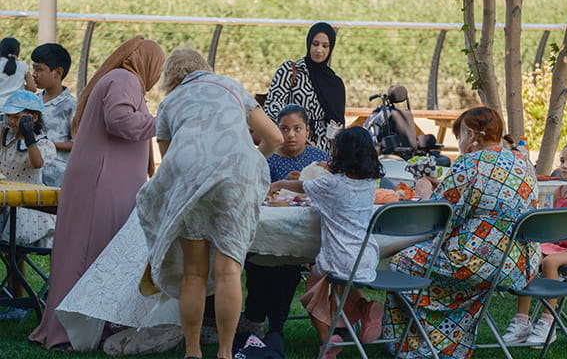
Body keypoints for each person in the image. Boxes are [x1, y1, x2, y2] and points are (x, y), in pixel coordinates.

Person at [136, 48, 282, 359]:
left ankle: (193, 352)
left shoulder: (170, 102)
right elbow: (276, 138)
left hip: (191, 176)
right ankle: (226, 353)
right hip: (237, 174)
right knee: (229, 271)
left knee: (194, 272)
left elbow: (170, 158)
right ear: (206, 68)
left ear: (171, 78)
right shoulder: (231, 87)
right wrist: (253, 161)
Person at [29, 35, 165, 350]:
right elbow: (120, 122)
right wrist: (164, 122)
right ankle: (67, 333)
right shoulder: (125, 79)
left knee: (89, 254)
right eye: (157, 65)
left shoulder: (120, 79)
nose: (157, 74)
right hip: (101, 183)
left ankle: (82, 328)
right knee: (87, 256)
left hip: (102, 181)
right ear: (145, 62)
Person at [382, 106, 541, 359]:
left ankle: (416, 346)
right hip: (520, 264)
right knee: (440, 266)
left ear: (470, 135)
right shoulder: (522, 160)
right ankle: (450, 342)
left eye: (459, 136)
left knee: (403, 262)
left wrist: (424, 191)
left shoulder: (469, 163)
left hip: (478, 262)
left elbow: (437, 217)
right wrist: (444, 186)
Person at [267, 126, 385, 359]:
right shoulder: (370, 181)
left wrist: (279, 183)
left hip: (338, 256)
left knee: (314, 291)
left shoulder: (333, 184)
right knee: (348, 283)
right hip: (366, 256)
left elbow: (302, 187)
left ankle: (327, 339)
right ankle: (363, 308)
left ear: (341, 154)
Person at [241, 104, 330, 338]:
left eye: (297, 128)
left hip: (302, 234)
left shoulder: (319, 158)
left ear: (307, 131)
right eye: (284, 129)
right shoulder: (266, 157)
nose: (291, 135)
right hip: (266, 229)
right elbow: (253, 190)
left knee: (287, 269)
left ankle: (274, 326)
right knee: (261, 267)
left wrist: (305, 183)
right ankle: (256, 317)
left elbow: (330, 190)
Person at [502, 139, 567, 345]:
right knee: (527, 258)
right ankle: (522, 321)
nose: (564, 165)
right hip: (559, 245)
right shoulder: (559, 192)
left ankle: (548, 323)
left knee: (550, 262)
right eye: (563, 160)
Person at [0, 90, 56, 320]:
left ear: (32, 117)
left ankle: (19, 300)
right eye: (8, 116)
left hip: (31, 210)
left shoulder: (42, 144)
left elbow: (37, 163)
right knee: (9, 246)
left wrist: (28, 135)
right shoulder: (6, 136)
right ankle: (14, 297)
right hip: (7, 204)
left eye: (16, 117)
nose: (11, 121)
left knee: (14, 247)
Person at [264, 22, 345, 154]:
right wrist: (294, 130)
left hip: (321, 150)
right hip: (290, 144)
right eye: (315, 44)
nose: (319, 50)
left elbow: (339, 126)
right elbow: (272, 106)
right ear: (308, 43)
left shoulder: (335, 83)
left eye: (325, 46)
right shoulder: (290, 70)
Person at [30, 43, 76, 187]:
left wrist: (44, 144)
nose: (34, 74)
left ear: (58, 72)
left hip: (56, 176)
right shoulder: (31, 101)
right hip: (30, 170)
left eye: (39, 69)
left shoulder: (72, 106)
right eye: (33, 68)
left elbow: (77, 144)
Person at [0, 37, 36, 105]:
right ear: (17, 51)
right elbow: (32, 88)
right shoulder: (23, 65)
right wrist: (19, 87)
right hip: (17, 109)